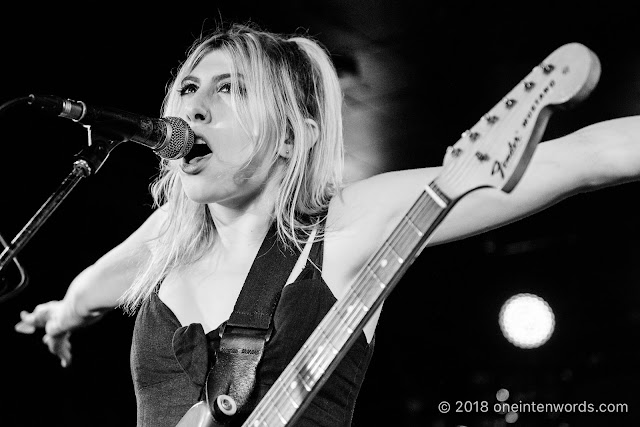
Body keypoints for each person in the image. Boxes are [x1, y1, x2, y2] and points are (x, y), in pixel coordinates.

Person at [13, 22, 640, 426]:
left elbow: (582, 160)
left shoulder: (343, 229)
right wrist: (60, 314)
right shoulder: (169, 239)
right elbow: (95, 284)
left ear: (291, 135)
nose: (193, 107)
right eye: (187, 88)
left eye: (229, 90)